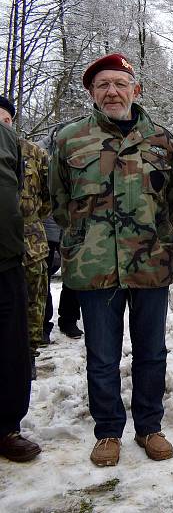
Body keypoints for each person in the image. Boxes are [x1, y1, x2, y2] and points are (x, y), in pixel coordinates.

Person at [50, 53, 173, 466]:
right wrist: (87, 239)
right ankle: (108, 431)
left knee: (152, 351)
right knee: (102, 355)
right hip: (95, 267)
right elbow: (58, 202)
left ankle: (150, 426)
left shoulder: (161, 140)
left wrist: (149, 234)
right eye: (103, 85)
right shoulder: (69, 139)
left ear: (135, 90)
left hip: (150, 262)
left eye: (120, 84)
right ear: (91, 92)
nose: (112, 91)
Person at [0, 109, 41, 462]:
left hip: (16, 251)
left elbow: (40, 196)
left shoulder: (22, 147)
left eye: (6, 118)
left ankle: (8, 427)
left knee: (15, 340)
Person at [0, 96, 51, 377]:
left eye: (7, 121)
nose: (3, 127)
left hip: (31, 241)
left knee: (33, 300)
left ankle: (29, 354)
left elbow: (48, 197)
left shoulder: (33, 153)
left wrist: (27, 219)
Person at [43, 216, 84, 341]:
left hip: (72, 230)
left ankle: (69, 320)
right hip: (44, 232)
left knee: (73, 276)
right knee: (43, 280)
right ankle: (43, 325)